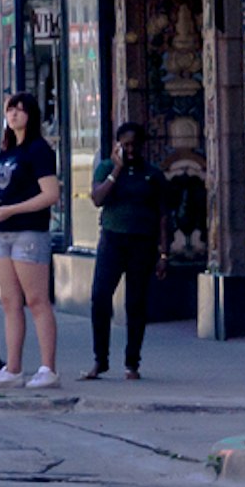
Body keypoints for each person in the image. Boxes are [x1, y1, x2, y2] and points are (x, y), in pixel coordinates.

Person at [0, 94, 64, 389]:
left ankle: (48, 368)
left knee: (37, 300)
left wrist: (13, 208)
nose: (14, 114)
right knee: (9, 300)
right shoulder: (7, 150)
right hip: (3, 230)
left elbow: (50, 194)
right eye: (10, 109)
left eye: (20, 109)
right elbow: (9, 188)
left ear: (32, 114)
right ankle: (13, 367)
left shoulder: (39, 150)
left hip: (29, 231)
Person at [86, 120, 164, 380]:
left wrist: (163, 254)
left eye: (134, 145)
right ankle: (100, 359)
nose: (130, 150)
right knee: (100, 296)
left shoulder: (152, 174)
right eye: (125, 145)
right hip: (112, 240)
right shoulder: (107, 168)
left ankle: (132, 362)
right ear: (117, 145)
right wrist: (116, 170)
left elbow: (163, 214)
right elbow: (97, 199)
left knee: (136, 302)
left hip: (142, 242)